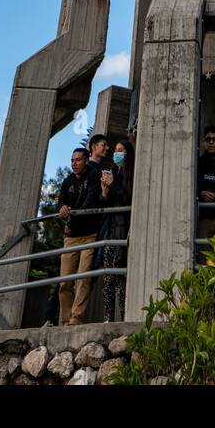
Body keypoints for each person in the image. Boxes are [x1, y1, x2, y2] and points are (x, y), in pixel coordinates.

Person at [56, 135, 108, 325]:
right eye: (72, 160)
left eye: (77, 160)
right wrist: (61, 207)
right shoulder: (68, 181)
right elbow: (60, 200)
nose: (74, 163)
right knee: (65, 282)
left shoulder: (94, 176)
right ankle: (65, 319)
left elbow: (91, 201)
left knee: (84, 279)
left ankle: (76, 317)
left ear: (86, 161)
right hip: (70, 236)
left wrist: (72, 214)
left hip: (88, 236)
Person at [100, 139, 134, 323]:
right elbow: (109, 200)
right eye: (115, 150)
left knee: (120, 276)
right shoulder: (113, 172)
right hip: (111, 228)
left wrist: (112, 185)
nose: (116, 153)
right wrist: (105, 192)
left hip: (124, 228)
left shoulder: (130, 173)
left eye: (120, 150)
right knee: (108, 276)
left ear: (127, 153)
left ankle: (122, 316)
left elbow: (126, 197)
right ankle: (108, 316)